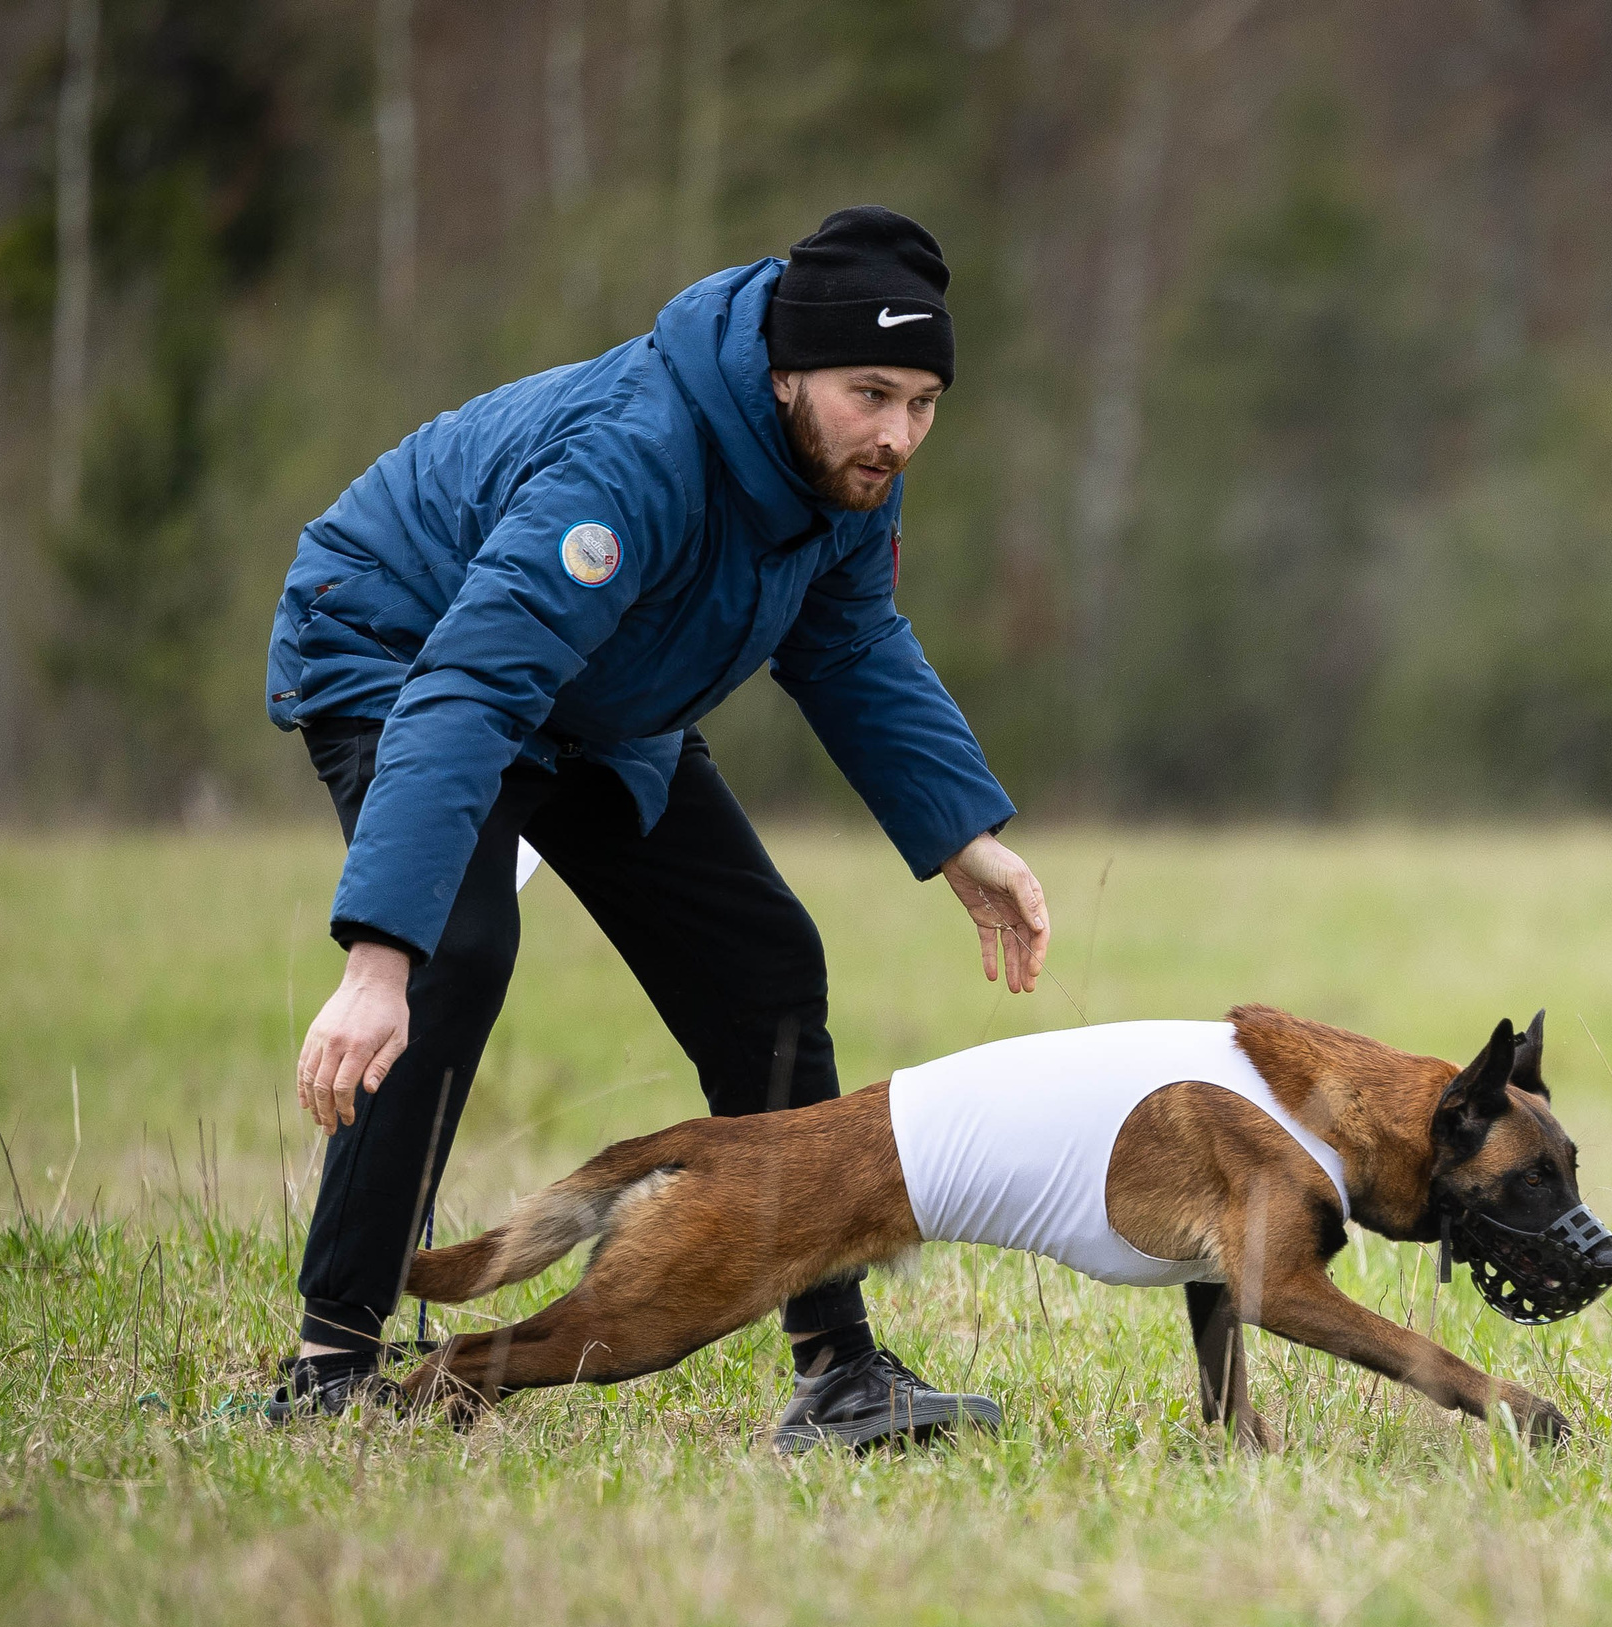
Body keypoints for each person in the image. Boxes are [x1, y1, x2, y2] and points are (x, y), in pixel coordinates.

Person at [261, 207, 1049, 1451]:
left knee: (764, 969)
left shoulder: (844, 481)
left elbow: (849, 646)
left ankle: (840, 1370)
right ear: (786, 372)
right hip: (403, 649)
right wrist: (379, 957)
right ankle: (332, 1367)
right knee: (453, 954)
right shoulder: (634, 454)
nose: (898, 434)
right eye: (869, 393)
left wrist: (965, 836)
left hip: (601, 697)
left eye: (924, 401)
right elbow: (473, 681)